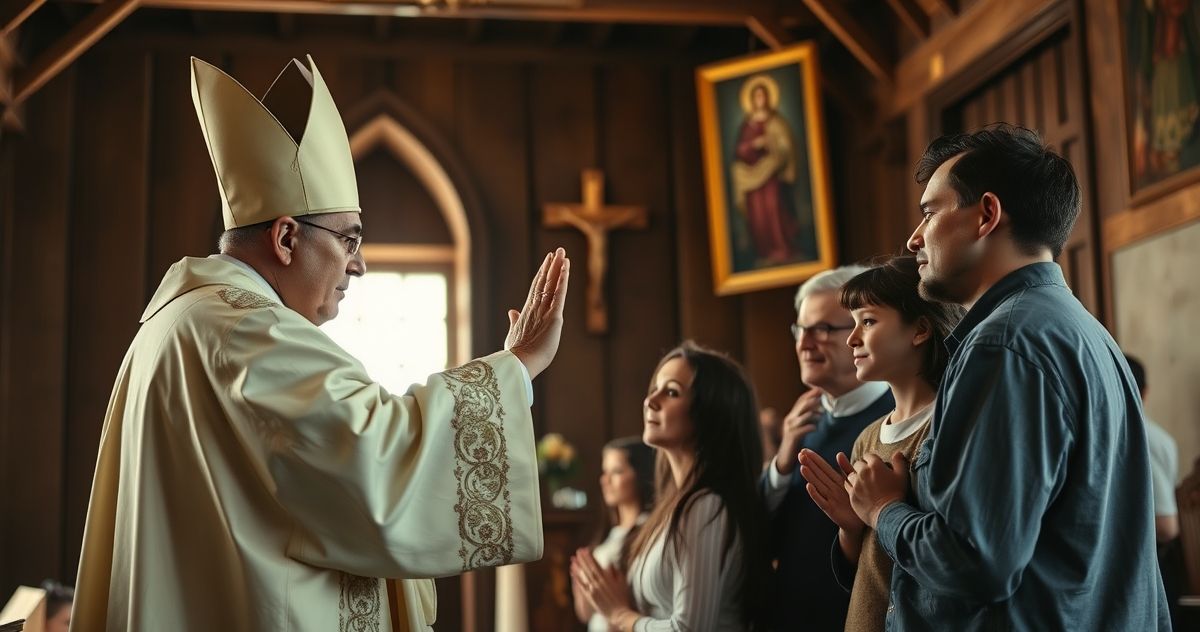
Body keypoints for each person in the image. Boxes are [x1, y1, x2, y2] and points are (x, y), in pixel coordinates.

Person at [70, 55, 570, 631]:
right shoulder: (245, 329)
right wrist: (518, 365)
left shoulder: (179, 321)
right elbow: (375, 456)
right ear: (286, 237)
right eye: (348, 239)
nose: (357, 265)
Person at [845, 124, 1171, 630]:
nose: (913, 238)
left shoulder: (1004, 345)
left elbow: (976, 563)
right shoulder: (1083, 329)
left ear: (986, 215)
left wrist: (883, 510)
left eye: (929, 212)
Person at [798, 256, 963, 631]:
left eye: (868, 322)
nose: (853, 338)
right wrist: (851, 527)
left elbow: (951, 561)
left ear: (920, 329)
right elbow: (867, 566)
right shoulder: (868, 437)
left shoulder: (947, 427)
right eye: (852, 324)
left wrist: (884, 508)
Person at [570, 342, 769, 631]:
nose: (651, 400)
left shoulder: (705, 505)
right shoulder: (671, 507)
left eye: (672, 392)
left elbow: (691, 628)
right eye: (656, 388)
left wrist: (620, 615)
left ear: (710, 412)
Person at [761, 265, 894, 631]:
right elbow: (759, 538)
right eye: (800, 329)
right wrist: (781, 464)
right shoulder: (802, 422)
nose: (804, 343)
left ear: (859, 333)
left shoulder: (894, 421)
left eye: (821, 329)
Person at [572, 436, 657, 632]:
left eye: (617, 471)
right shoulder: (609, 535)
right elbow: (585, 614)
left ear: (640, 474)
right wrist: (582, 587)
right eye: (604, 472)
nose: (605, 480)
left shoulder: (648, 532)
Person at [731, 74, 810, 267]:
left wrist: (772, 145)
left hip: (773, 175)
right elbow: (740, 150)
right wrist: (754, 145)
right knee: (758, 214)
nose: (761, 100)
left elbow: (787, 147)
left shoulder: (777, 121)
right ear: (752, 100)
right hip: (752, 176)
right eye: (756, 97)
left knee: (774, 209)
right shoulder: (748, 124)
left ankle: (784, 249)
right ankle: (766, 251)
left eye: (763, 95)